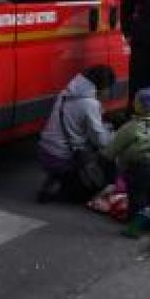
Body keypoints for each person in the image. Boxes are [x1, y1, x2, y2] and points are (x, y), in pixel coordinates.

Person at [103, 89, 150, 238]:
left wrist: (108, 161)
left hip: (137, 170)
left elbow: (112, 150)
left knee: (137, 200)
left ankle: (134, 229)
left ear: (135, 106)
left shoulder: (129, 128)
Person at [35, 65, 115, 203]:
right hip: (63, 157)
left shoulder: (65, 94)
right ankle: (68, 191)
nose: (109, 93)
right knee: (109, 158)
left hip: (45, 151)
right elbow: (101, 141)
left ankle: (58, 180)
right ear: (102, 87)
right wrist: (114, 136)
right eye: (109, 88)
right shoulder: (90, 104)